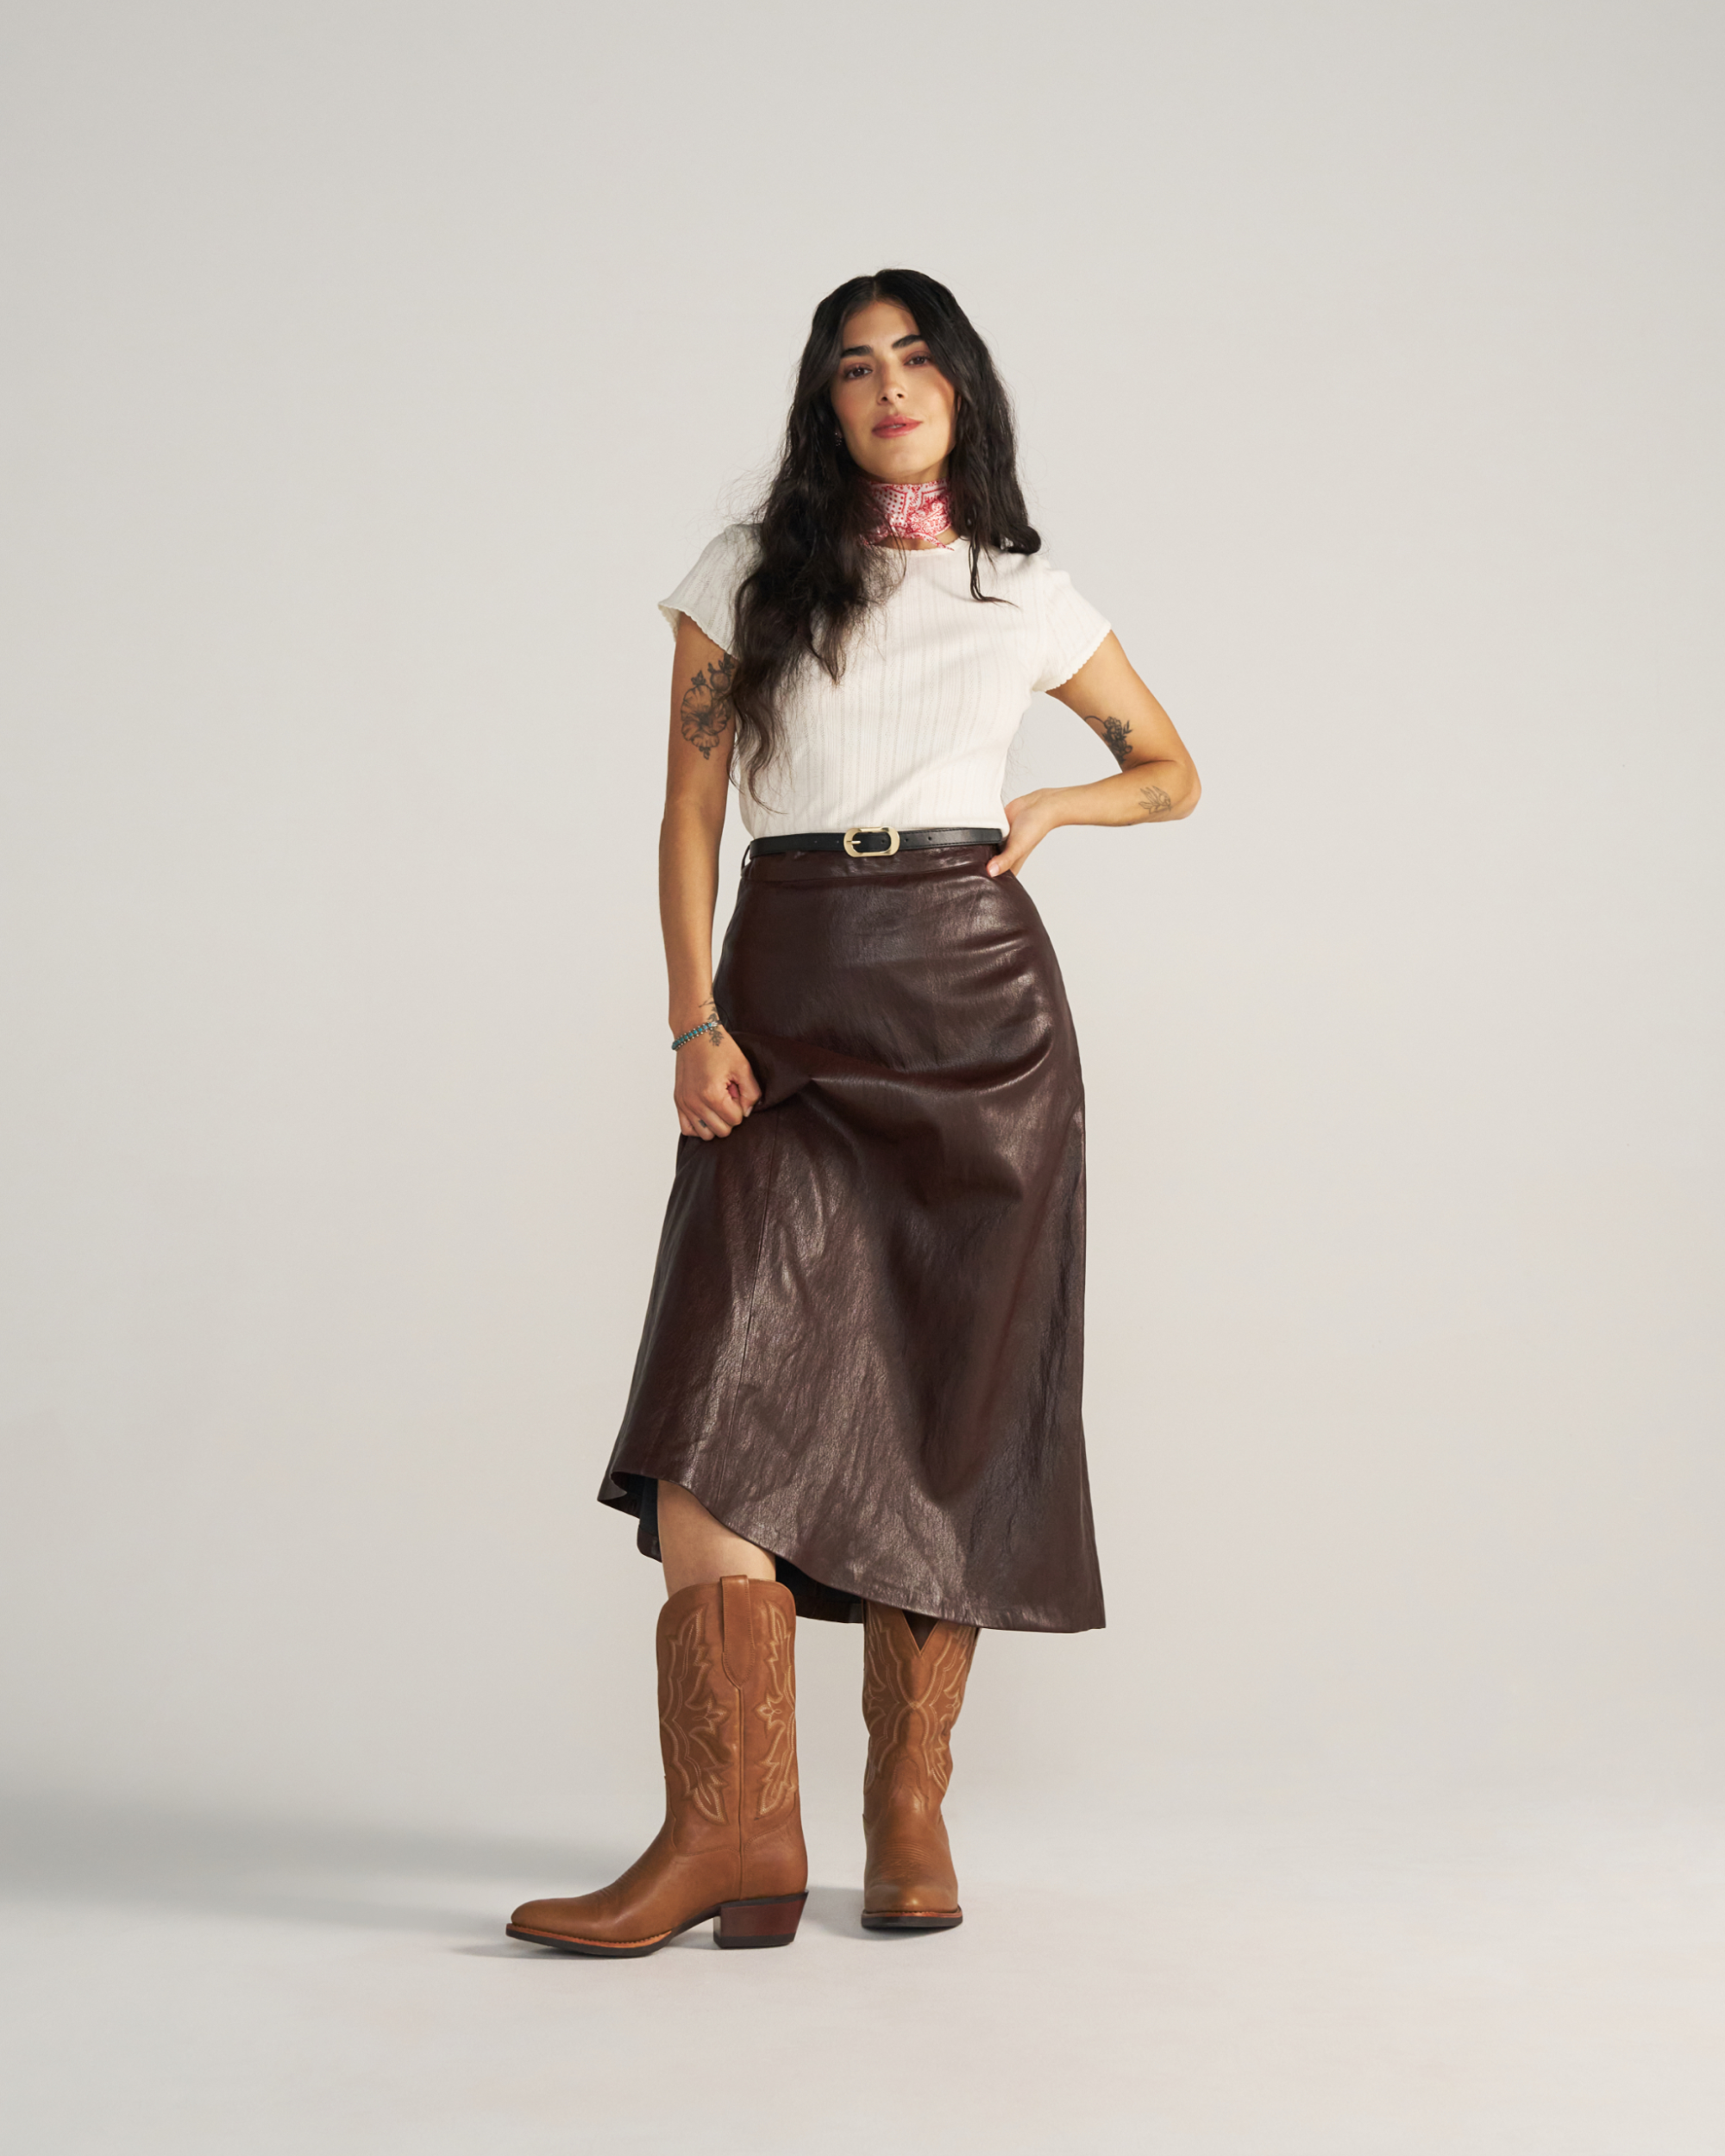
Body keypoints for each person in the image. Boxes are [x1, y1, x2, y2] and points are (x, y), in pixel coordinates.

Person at [507, 268, 1200, 1959]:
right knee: (711, 1402)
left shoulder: (1022, 589)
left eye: (915, 359)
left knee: (950, 1408)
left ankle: (907, 1810)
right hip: (790, 996)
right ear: (823, 401)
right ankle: (734, 1831)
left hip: (976, 1010)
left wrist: (1061, 806)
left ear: (961, 389)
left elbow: (1173, 770)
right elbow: (687, 812)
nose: (887, 385)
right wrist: (692, 1015)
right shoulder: (749, 573)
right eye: (853, 364)